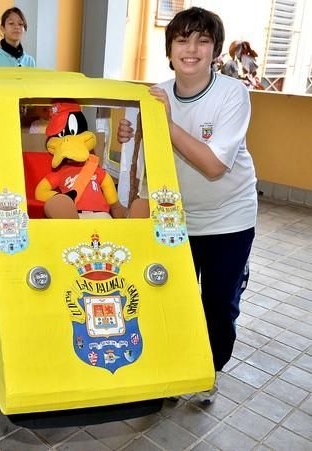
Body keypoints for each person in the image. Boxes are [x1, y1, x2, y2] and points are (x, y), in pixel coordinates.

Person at [118, 7, 257, 405]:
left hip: (229, 217)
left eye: (202, 40)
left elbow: (214, 165)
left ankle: (207, 371)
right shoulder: (156, 95)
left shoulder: (233, 94)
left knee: (217, 302)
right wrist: (135, 133)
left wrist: (164, 123)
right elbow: (144, 159)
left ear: (214, 50)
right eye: (182, 39)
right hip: (174, 219)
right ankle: (174, 369)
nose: (191, 49)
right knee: (169, 296)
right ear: (170, 48)